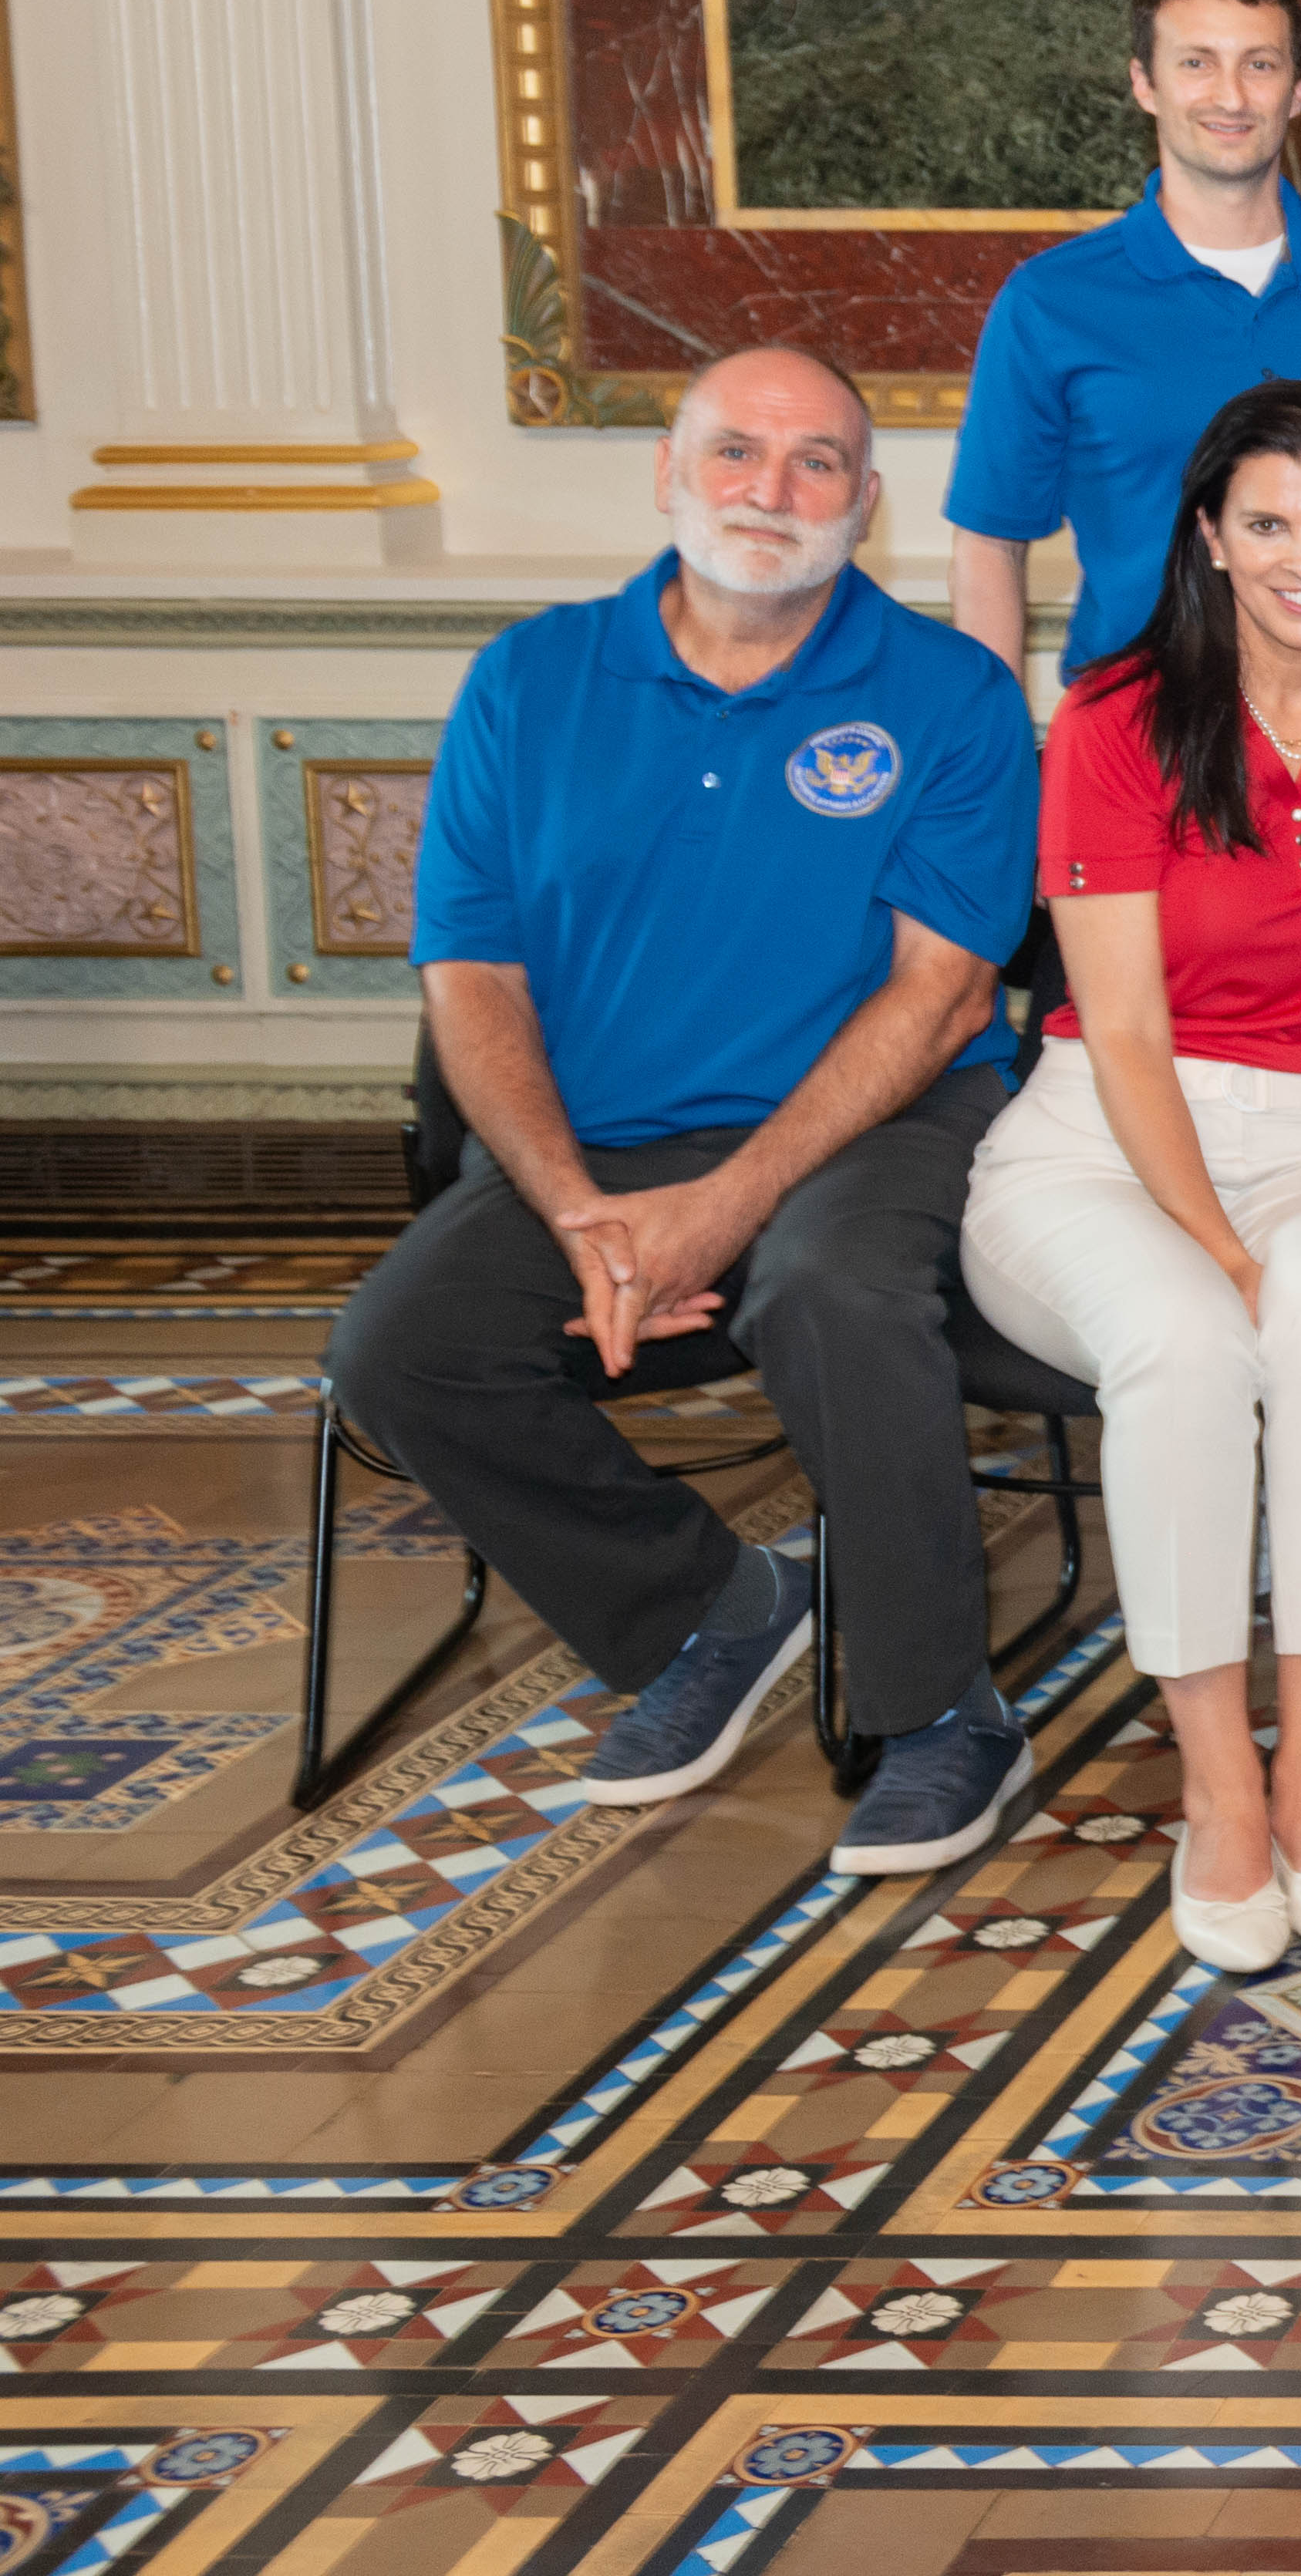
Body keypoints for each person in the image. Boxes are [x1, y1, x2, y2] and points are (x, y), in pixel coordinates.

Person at [332, 348, 1040, 1875]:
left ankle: (941, 1713)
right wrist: (576, 1202)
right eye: (736, 452)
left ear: (868, 500)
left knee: (832, 1288)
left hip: (872, 1116)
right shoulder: (529, 678)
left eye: (813, 463)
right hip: (605, 1138)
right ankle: (713, 1603)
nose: (769, 491)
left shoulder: (950, 694)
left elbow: (932, 996)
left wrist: (731, 1200)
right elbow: (472, 976)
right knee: (397, 1349)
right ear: (668, 471)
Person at [959, 388, 1301, 1966]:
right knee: (1189, 1339)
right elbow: (1119, 1027)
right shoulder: (1122, 712)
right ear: (1210, 535)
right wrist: (1214, 1244)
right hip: (1103, 1135)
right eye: (1267, 523)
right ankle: (1217, 1786)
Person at [943, 0, 1301, 679]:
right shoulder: (1051, 302)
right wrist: (995, 760)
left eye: (1260, 65)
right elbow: (990, 544)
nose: (1231, 96)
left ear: (1300, 90)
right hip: (1142, 729)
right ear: (1145, 83)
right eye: (1197, 63)